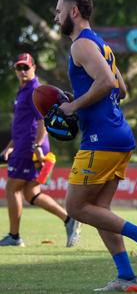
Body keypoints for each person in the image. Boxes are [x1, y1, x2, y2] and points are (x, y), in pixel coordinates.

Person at [55, 0, 137, 292]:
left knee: (76, 207)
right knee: (100, 210)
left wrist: (74, 105)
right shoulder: (101, 44)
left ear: (74, 12)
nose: (56, 16)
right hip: (118, 136)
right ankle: (127, 277)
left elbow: (106, 82)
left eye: (59, 11)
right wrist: (79, 98)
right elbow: (121, 89)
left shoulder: (81, 45)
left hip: (101, 138)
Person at [0, 53, 81, 248]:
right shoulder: (22, 91)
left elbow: (42, 121)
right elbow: (21, 124)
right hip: (21, 146)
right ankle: (69, 219)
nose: (22, 71)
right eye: (19, 68)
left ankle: (14, 235)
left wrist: (36, 146)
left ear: (34, 67)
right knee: (30, 193)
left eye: (25, 67)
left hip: (30, 147)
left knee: (12, 187)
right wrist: (9, 147)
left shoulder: (35, 91)